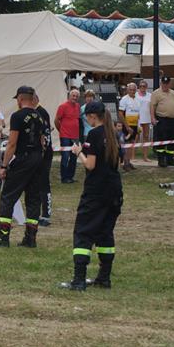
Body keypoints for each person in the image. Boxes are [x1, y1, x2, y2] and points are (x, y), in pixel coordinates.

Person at [60, 101, 123, 291]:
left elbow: (90, 165)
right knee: (105, 233)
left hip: (96, 191)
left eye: (86, 117)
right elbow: (117, 162)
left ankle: (78, 279)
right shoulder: (113, 134)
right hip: (114, 190)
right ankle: (104, 278)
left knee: (83, 233)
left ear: (92, 116)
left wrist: (78, 152)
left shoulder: (94, 134)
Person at [0, 86, 45, 248]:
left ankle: (2, 237)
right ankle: (30, 238)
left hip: (23, 159)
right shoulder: (39, 116)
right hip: (37, 159)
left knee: (8, 197)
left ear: (20, 98)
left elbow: (12, 143)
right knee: (33, 200)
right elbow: (42, 141)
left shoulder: (17, 116)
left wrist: (4, 165)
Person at [34, 94, 54, 227]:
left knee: (43, 183)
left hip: (44, 155)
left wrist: (42, 152)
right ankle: (36, 213)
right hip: (36, 155)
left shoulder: (41, 112)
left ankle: (46, 214)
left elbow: (45, 135)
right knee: (36, 184)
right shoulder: (34, 112)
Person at [150, 76, 174, 167]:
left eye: (167, 84)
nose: (165, 85)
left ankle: (170, 159)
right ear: (161, 83)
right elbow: (152, 106)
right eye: (164, 83)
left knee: (172, 139)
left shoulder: (173, 93)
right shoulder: (156, 93)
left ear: (169, 84)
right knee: (161, 139)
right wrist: (152, 118)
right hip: (162, 119)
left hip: (173, 120)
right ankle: (161, 160)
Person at [55, 88, 81, 183]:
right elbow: (56, 120)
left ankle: (70, 176)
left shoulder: (78, 106)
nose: (75, 98)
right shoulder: (63, 106)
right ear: (69, 96)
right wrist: (61, 130)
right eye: (73, 96)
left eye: (76, 96)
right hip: (65, 135)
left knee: (74, 157)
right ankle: (64, 177)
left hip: (75, 136)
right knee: (65, 156)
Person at [118, 82, 141, 170]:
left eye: (134, 90)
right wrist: (127, 127)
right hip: (126, 125)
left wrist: (138, 125)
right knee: (126, 145)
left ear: (136, 90)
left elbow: (138, 113)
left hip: (135, 125)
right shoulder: (124, 99)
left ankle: (128, 161)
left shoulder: (138, 99)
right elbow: (120, 114)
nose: (132, 91)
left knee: (131, 144)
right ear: (127, 90)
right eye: (130, 90)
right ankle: (125, 163)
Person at [137, 81, 152, 161]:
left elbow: (152, 107)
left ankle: (145, 156)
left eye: (144, 86)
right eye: (141, 86)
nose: (142, 87)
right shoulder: (135, 95)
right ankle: (132, 156)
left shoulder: (150, 95)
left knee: (146, 136)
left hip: (146, 118)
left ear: (146, 87)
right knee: (136, 136)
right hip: (137, 118)